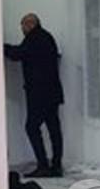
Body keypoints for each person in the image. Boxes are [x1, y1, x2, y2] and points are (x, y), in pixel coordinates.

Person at [4, 13, 64, 177]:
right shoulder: (46, 37)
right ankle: (56, 165)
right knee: (53, 128)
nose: (22, 29)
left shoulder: (34, 38)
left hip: (39, 93)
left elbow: (18, 54)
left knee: (32, 127)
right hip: (52, 91)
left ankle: (43, 165)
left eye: (23, 26)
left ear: (30, 24)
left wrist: (1, 47)